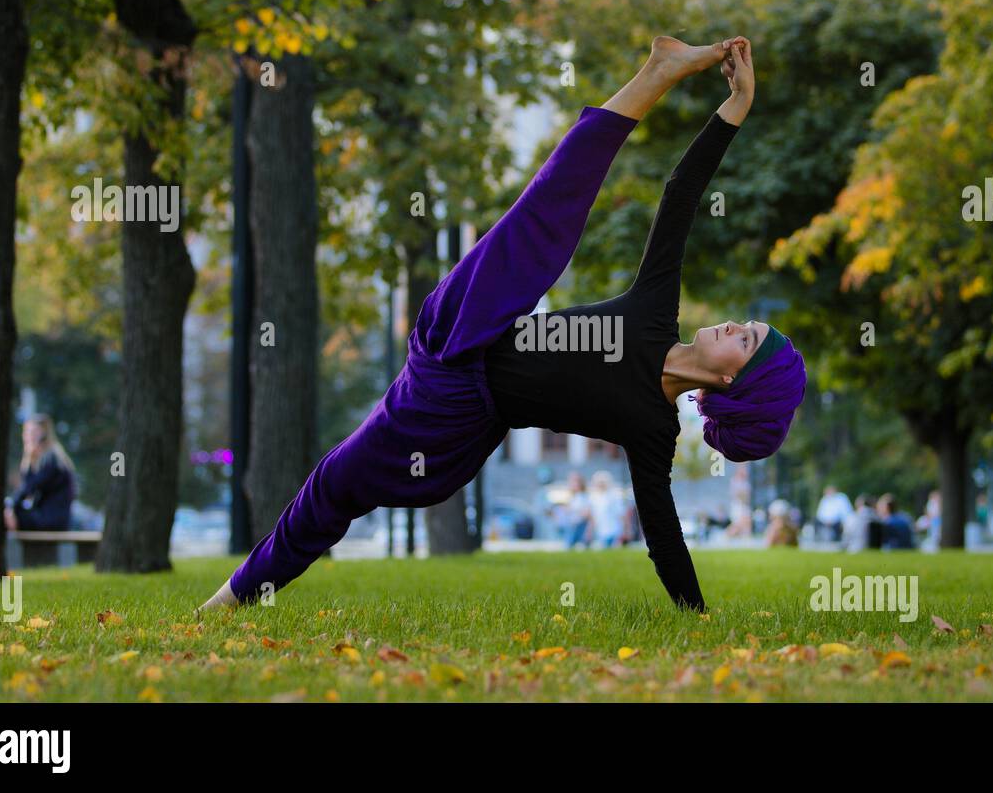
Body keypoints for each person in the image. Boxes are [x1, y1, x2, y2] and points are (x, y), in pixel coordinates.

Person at [199, 34, 806, 615]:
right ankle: (658, 72)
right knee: (548, 215)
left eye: (746, 339)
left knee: (337, 486)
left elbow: (663, 533)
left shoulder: (652, 430)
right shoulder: (654, 313)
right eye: (745, 325)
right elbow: (682, 192)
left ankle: (232, 597)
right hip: (475, 319)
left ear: (734, 382)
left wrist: (696, 617)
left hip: (458, 408)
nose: (732, 326)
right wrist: (734, 107)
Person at [3, 413, 77, 532]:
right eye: (27, 433)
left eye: (33, 433)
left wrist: (10, 507)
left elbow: (28, 488)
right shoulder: (36, 460)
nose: (28, 437)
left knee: (7, 513)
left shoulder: (53, 460)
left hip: (52, 520)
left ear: (44, 435)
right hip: (43, 516)